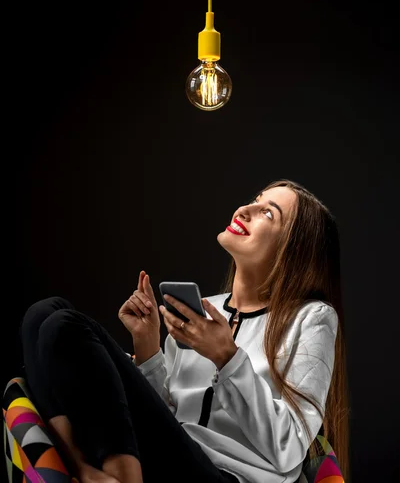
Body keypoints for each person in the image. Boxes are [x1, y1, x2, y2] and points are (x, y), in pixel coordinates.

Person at [19, 179, 349, 483]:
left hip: (220, 476)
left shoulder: (313, 318)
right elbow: (167, 413)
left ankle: (121, 475)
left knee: (67, 327)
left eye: (267, 213)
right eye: (255, 200)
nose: (244, 210)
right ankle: (83, 469)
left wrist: (227, 357)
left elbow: (289, 448)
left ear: (293, 250)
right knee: (44, 313)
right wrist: (148, 348)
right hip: (168, 458)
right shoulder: (204, 308)